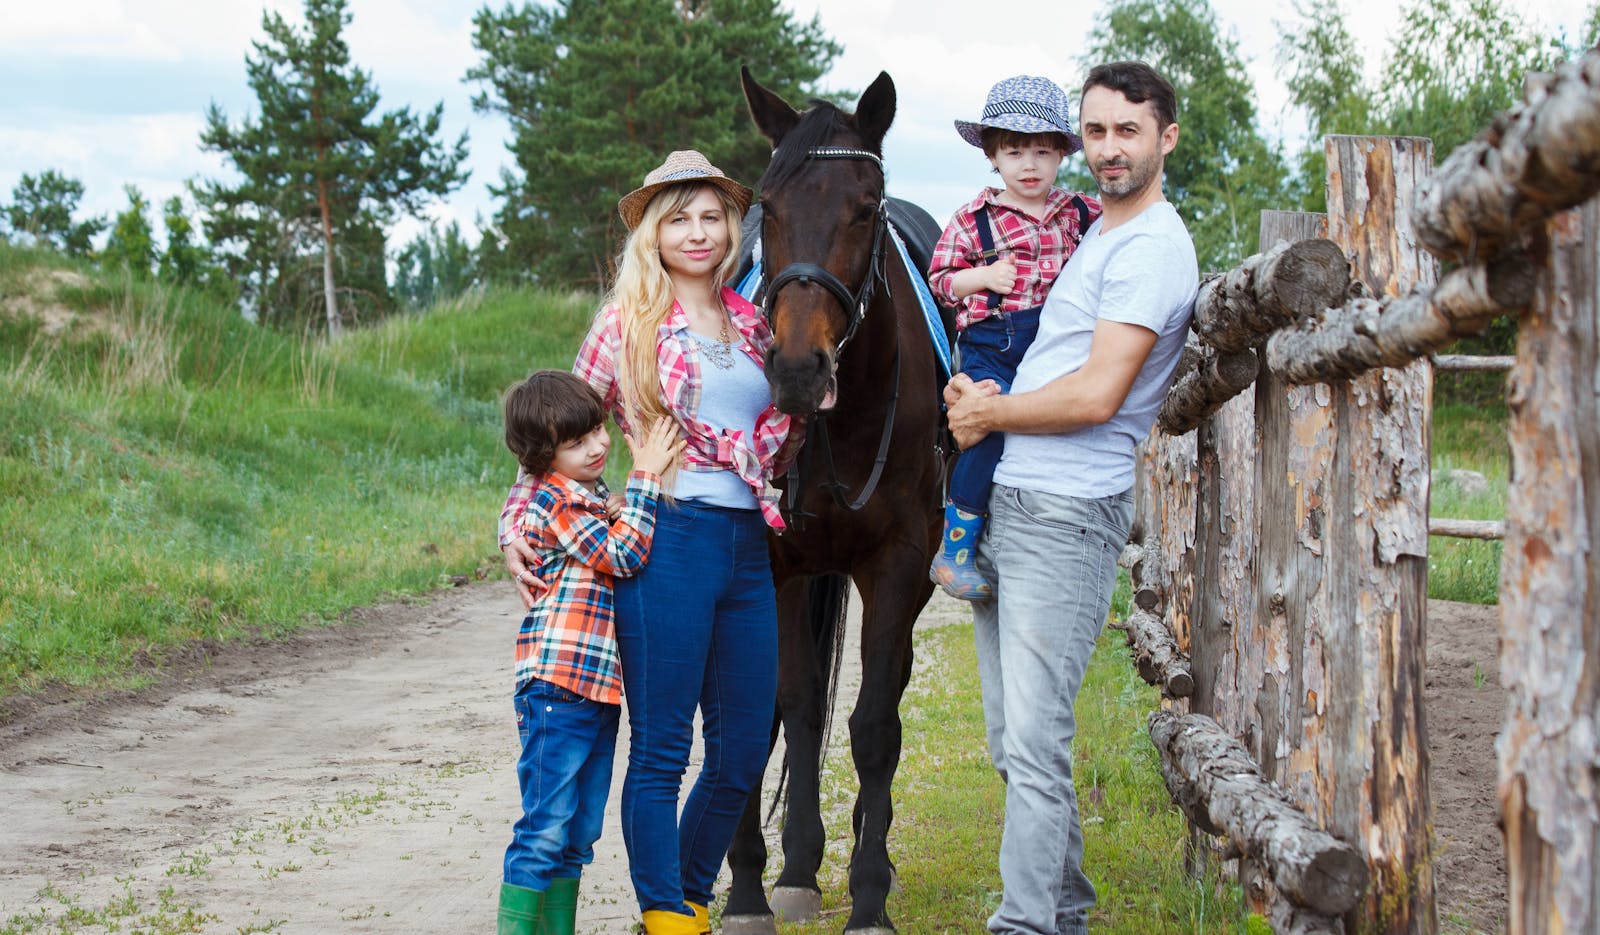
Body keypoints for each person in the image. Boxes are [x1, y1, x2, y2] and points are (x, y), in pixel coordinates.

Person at [499, 150, 795, 935]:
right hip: (665, 540)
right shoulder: (626, 321)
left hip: (745, 545)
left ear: (731, 228)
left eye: (710, 216)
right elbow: (554, 430)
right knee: (663, 746)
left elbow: (779, 429)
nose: (697, 233)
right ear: (653, 234)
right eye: (679, 219)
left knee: (740, 751)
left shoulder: (755, 320)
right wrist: (513, 524)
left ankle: (689, 896)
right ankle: (667, 916)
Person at [943, 61, 1198, 935]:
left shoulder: (1154, 247)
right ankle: (1067, 908)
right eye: (1095, 131)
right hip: (1016, 499)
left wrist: (988, 412)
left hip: (1066, 515)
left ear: (1166, 136)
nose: (1108, 148)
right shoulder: (1096, 234)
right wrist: (975, 405)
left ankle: (1024, 923)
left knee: (1035, 743)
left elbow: (1098, 395)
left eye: (1128, 130)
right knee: (1013, 742)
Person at [494, 369, 683, 935]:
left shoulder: (588, 498)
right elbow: (625, 555)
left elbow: (615, 530)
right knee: (545, 828)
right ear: (539, 458)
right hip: (557, 688)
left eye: (598, 430)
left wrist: (626, 499)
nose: (599, 445)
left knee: (577, 834)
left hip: (594, 690)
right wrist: (646, 479)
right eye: (576, 443)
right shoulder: (556, 503)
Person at [927, 74, 1102, 601]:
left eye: (1043, 152)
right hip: (992, 343)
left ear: (1060, 158)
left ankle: (1054, 533)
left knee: (1054, 422)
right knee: (989, 427)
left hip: (1051, 343)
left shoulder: (1078, 212)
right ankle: (956, 547)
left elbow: (1122, 228)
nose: (1030, 165)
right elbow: (941, 281)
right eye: (1016, 151)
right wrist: (981, 278)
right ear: (993, 156)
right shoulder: (972, 219)